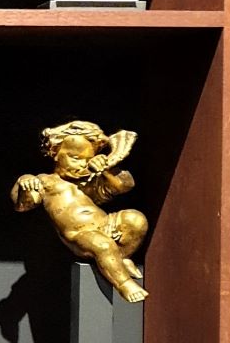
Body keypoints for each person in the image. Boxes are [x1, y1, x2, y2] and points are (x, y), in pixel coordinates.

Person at [11, 120, 149, 302]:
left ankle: (120, 258)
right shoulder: (46, 182)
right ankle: (124, 283)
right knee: (103, 245)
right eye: (75, 158)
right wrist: (25, 182)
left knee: (136, 219)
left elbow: (125, 185)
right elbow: (23, 205)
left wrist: (106, 168)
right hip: (80, 234)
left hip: (105, 224)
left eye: (87, 159)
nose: (81, 165)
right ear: (55, 152)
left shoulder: (90, 179)